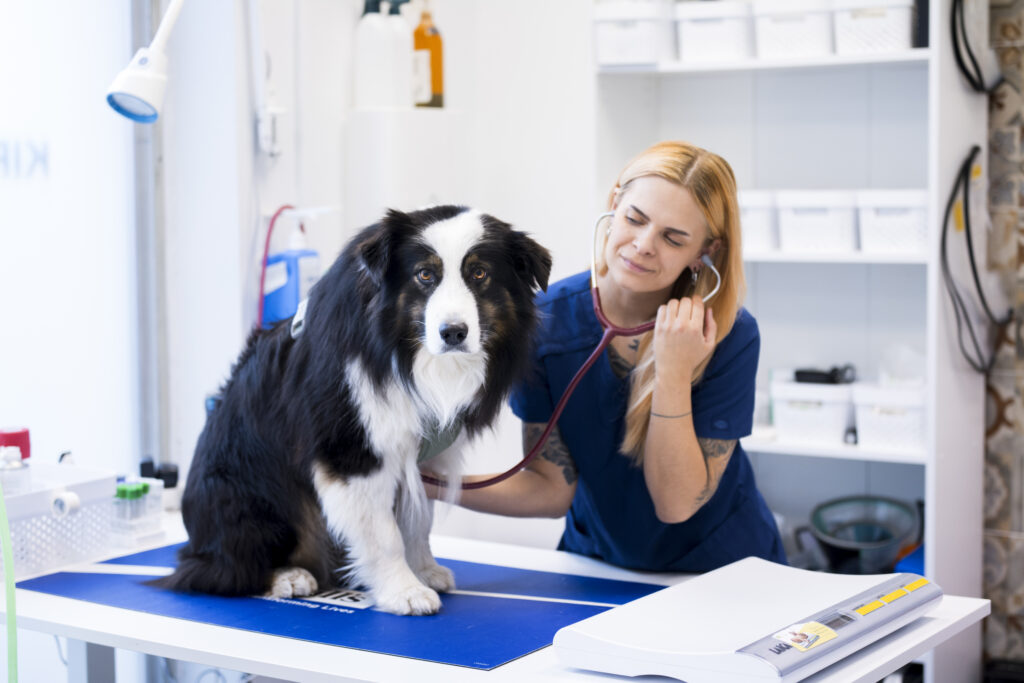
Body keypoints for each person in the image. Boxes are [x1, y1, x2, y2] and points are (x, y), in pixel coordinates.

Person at [431, 140, 786, 572]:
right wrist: (429, 483)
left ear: (704, 251)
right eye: (635, 219)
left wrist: (672, 371)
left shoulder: (729, 335)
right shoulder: (546, 322)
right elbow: (550, 489)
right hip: (599, 565)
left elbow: (675, 504)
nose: (643, 245)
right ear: (614, 202)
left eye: (673, 238)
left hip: (721, 570)